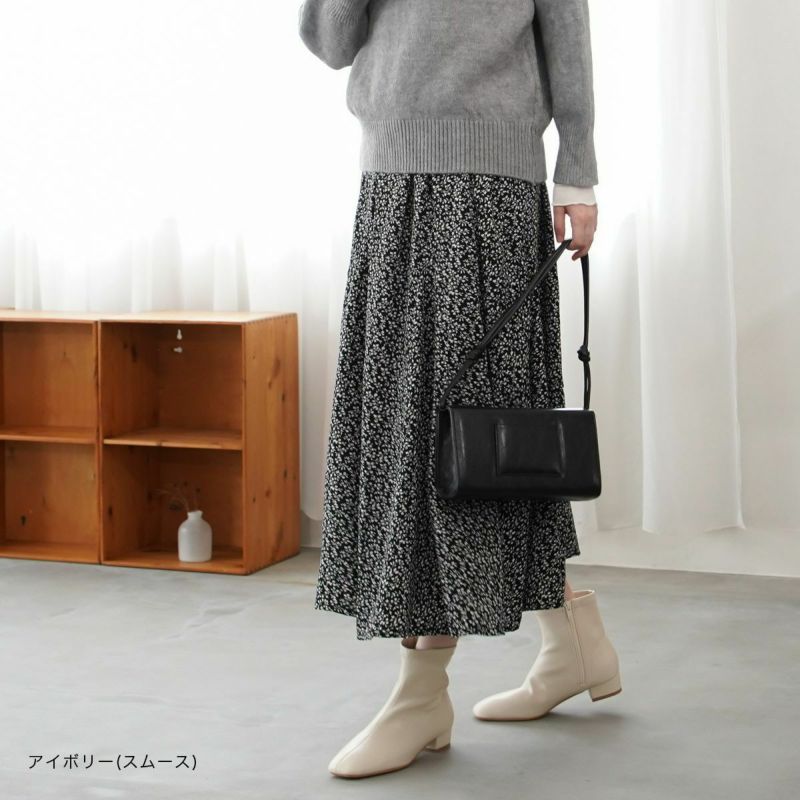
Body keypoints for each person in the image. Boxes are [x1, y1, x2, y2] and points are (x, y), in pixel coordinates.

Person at [298, 0, 620, 780]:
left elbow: (567, 37)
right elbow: (330, 41)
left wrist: (577, 171)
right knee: (438, 437)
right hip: (391, 183)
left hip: (490, 191)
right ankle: (571, 641)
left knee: (464, 436)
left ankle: (421, 695)